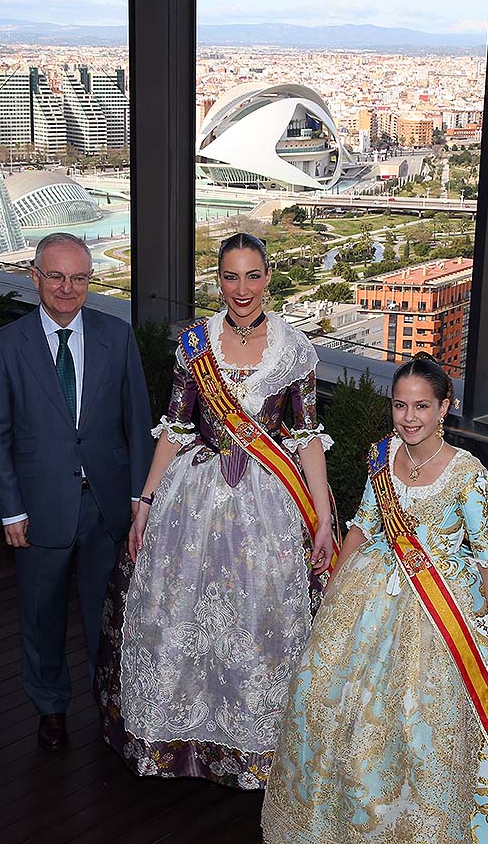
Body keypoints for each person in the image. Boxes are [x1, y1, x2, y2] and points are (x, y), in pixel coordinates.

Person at [262, 354, 488, 844]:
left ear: (446, 407)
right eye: (400, 406)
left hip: (446, 610)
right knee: (337, 714)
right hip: (372, 597)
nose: (410, 417)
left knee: (427, 734)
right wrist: (334, 590)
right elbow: (362, 524)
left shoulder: (468, 472)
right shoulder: (382, 456)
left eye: (422, 406)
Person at [94, 232, 336, 790]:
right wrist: (147, 502)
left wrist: (321, 518)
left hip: (270, 508)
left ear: (269, 277)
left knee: (258, 625)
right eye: (231, 276)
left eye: (253, 275)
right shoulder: (194, 344)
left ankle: (257, 745)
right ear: (218, 279)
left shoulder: (295, 350)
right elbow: (176, 429)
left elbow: (305, 439)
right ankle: (180, 737)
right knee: (183, 620)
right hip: (193, 503)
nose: (242, 288)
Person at [0, 232, 153, 753]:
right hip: (37, 513)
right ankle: (50, 707)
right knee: (41, 617)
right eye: (55, 276)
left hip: (106, 510)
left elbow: (138, 421)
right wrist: (8, 509)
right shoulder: (6, 345)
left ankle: (110, 706)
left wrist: (138, 501)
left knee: (107, 618)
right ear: (33, 277)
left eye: (79, 277)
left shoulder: (116, 335)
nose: (66, 287)